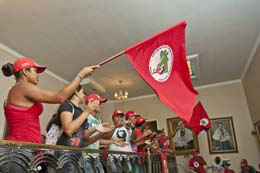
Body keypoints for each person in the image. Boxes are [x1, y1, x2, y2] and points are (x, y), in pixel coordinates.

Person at [1, 57, 98, 172]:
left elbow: (8, 127)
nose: (38, 75)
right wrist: (80, 75)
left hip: (22, 149)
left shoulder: (14, 92)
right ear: (25, 71)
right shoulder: (23, 87)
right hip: (20, 151)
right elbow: (60, 97)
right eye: (35, 71)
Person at [55, 86, 112, 173]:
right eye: (83, 92)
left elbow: (83, 137)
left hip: (78, 153)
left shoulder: (81, 112)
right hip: (65, 152)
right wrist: (86, 112)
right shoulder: (67, 105)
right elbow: (68, 130)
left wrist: (96, 129)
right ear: (76, 92)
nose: (85, 95)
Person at [82, 94, 125, 173]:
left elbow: (97, 140)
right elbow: (84, 140)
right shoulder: (85, 118)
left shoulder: (98, 119)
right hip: (86, 157)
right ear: (92, 103)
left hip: (96, 156)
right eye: (100, 103)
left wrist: (113, 142)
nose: (102, 106)